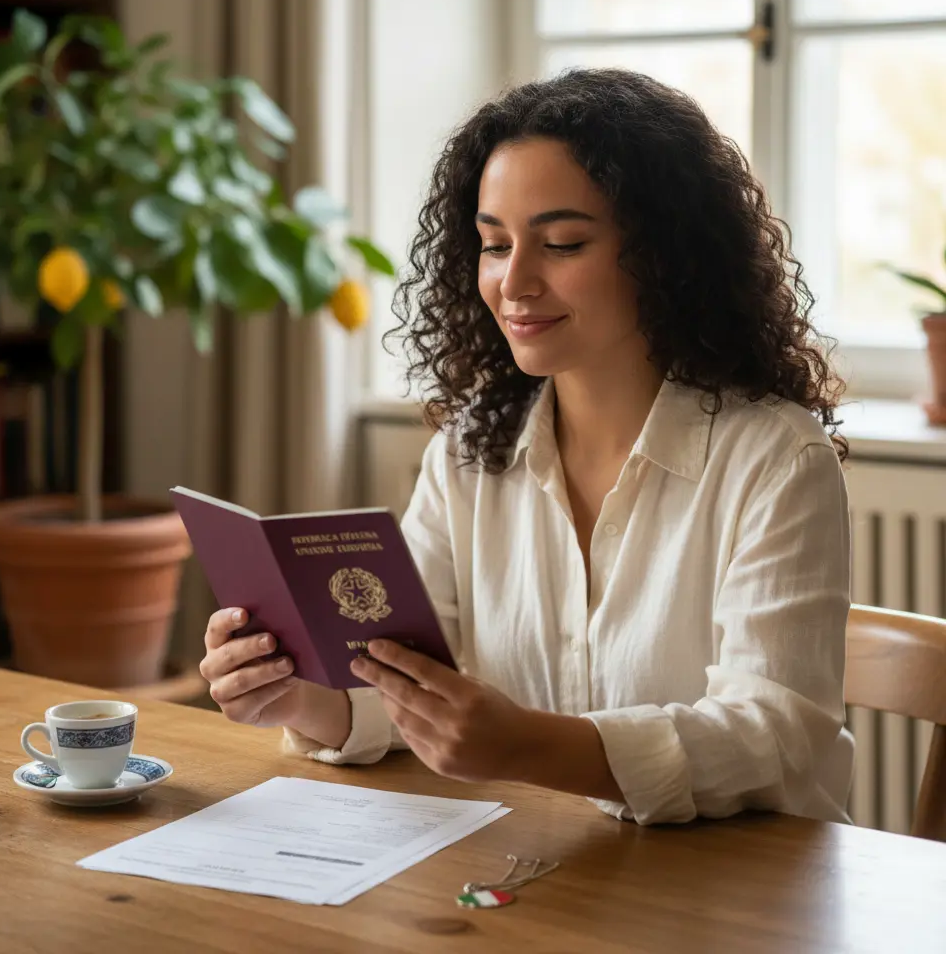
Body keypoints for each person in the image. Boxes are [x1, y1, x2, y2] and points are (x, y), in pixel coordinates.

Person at [199, 68, 853, 826]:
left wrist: (530, 747)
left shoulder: (775, 459)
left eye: (563, 243)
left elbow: (774, 735)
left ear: (665, 254)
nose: (514, 282)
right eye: (494, 245)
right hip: (552, 875)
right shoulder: (471, 453)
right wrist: (298, 697)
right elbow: (411, 686)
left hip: (749, 898)